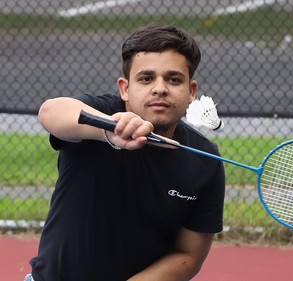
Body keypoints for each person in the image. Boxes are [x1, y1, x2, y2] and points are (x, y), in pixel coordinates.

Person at [29, 24, 225, 281]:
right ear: (124, 88)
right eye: (146, 78)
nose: (159, 88)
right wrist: (109, 131)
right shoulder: (101, 115)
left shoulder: (205, 160)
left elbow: (188, 254)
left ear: (191, 92)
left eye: (173, 79)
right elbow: (51, 112)